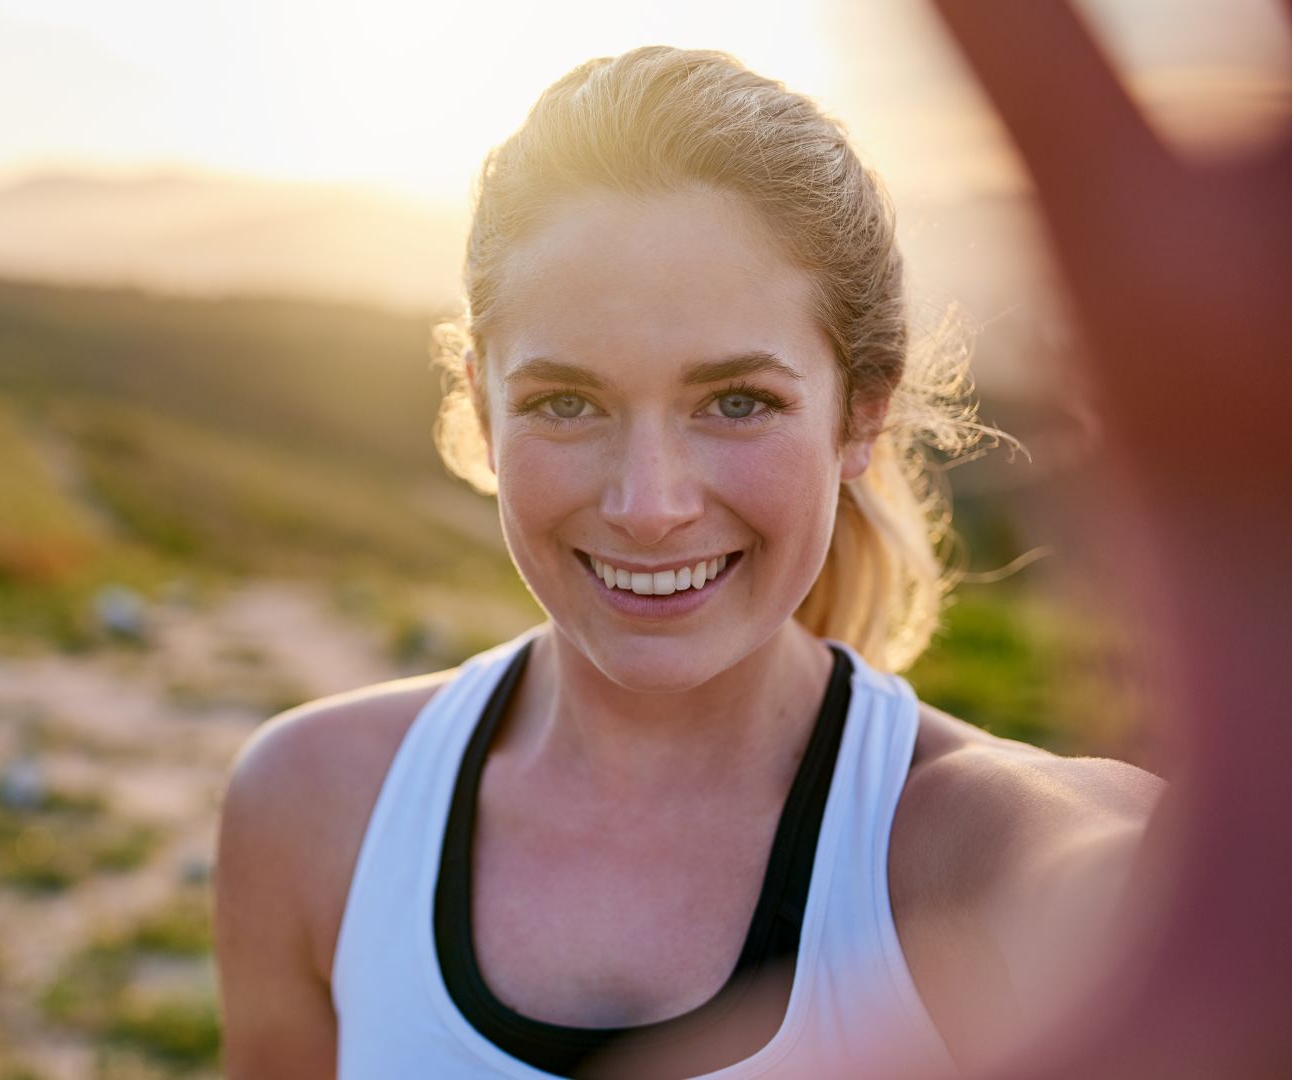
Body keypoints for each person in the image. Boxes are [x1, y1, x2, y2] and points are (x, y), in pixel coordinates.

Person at [212, 46, 1164, 1079]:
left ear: (864, 412)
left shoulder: (987, 857)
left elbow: (1170, 897)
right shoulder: (313, 808)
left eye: (738, 402)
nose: (648, 506)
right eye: (565, 404)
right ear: (483, 412)